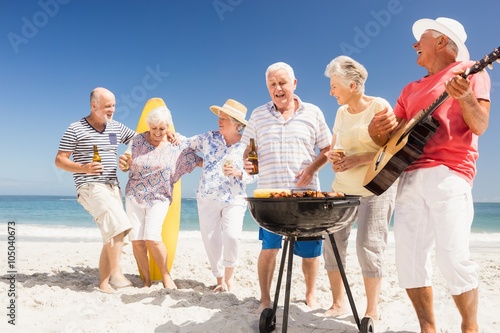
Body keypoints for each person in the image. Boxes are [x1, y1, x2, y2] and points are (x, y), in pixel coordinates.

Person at [370, 17, 490, 332]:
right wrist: (376, 130)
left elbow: (479, 124)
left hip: (450, 173)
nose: (413, 45)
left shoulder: (471, 71)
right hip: (408, 176)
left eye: (420, 39)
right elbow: (388, 139)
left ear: (440, 42)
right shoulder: (410, 89)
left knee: (453, 258)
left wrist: (463, 97)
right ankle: (428, 328)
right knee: (409, 261)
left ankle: (470, 327)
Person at [242, 62, 332, 311]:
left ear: (294, 84)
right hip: (270, 196)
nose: (278, 88)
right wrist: (247, 164)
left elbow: (327, 148)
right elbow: (247, 149)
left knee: (310, 250)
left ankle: (311, 294)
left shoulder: (313, 112)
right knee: (269, 247)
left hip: (305, 195)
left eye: (282, 83)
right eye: (272, 84)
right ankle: (265, 298)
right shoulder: (258, 114)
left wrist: (312, 169)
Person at [322, 56, 397, 320]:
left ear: (352, 85)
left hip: (375, 189)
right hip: (343, 188)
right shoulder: (341, 112)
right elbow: (335, 147)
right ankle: (337, 303)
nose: (330, 92)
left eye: (334, 86)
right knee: (331, 244)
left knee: (368, 246)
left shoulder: (379, 106)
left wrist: (358, 159)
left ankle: (371, 310)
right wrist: (334, 158)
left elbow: (392, 151)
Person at [55, 87, 136, 293]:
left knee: (113, 233)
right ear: (94, 105)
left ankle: (104, 283)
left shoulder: (116, 128)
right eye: (107, 106)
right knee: (119, 226)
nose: (112, 110)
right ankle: (116, 274)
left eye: (114, 106)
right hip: (90, 186)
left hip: (113, 187)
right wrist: (84, 167)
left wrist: (127, 155)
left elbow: (138, 140)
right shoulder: (76, 128)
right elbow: (59, 159)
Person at [119, 105, 202, 289]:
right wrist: (123, 165)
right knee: (137, 240)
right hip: (134, 195)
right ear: (148, 126)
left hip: (160, 196)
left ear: (168, 128)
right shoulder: (137, 140)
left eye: (162, 129)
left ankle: (166, 276)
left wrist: (220, 167)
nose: (157, 133)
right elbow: (126, 163)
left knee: (152, 237)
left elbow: (196, 160)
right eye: (154, 128)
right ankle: (146, 281)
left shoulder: (175, 144)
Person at [185, 99, 256, 292]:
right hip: (207, 196)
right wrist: (199, 162)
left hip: (234, 198)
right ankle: (219, 279)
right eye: (219, 116)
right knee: (210, 240)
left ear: (237, 123)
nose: (219, 120)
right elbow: (185, 144)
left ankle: (229, 277)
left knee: (232, 236)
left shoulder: (249, 145)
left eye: (224, 118)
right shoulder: (208, 137)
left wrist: (239, 173)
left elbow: (254, 174)